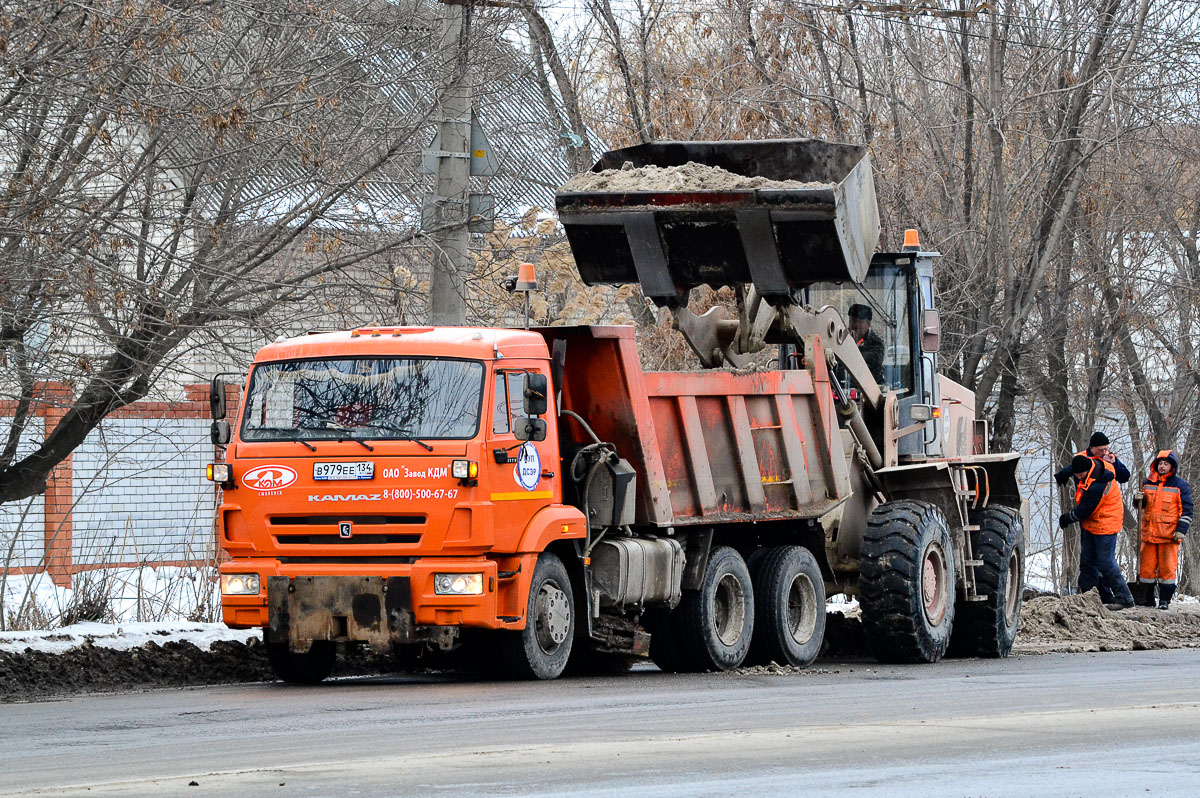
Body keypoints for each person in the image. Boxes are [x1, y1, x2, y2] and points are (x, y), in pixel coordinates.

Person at [1053, 431, 1131, 603]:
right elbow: (1072, 469)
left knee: (1105, 562)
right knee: (1087, 561)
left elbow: (1087, 508)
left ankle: (1123, 597)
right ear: (1092, 448)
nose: (1104, 453)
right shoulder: (1084, 462)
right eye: (1100, 450)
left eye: (1106, 449)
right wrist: (1061, 476)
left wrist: (1068, 517)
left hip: (1105, 521)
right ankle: (1090, 597)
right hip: (1091, 521)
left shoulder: (1100, 476)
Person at [1133, 450, 1193, 610]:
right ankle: (1148, 600)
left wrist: (1181, 530)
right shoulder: (1147, 483)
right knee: (1146, 569)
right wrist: (1137, 500)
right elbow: (1142, 506)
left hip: (1169, 536)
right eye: (1160, 463)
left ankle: (1165, 601)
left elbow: (1187, 510)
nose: (1162, 466)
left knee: (1167, 570)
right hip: (1149, 535)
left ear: (1172, 467)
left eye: (1166, 464)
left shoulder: (1180, 486)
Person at [847, 303, 885, 383]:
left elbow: (873, 359)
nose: (856, 325)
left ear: (868, 324)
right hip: (845, 384)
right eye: (853, 321)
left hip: (871, 386)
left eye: (860, 322)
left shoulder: (876, 342)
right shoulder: (842, 338)